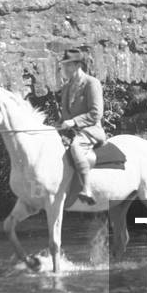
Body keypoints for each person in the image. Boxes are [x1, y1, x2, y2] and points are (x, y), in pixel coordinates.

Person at [58, 48, 106, 204]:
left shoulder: (92, 83)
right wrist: (57, 126)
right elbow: (65, 115)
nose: (63, 69)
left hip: (90, 130)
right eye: (63, 65)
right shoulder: (66, 87)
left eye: (67, 65)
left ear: (77, 65)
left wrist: (74, 122)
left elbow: (96, 113)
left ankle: (87, 189)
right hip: (71, 132)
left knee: (75, 147)